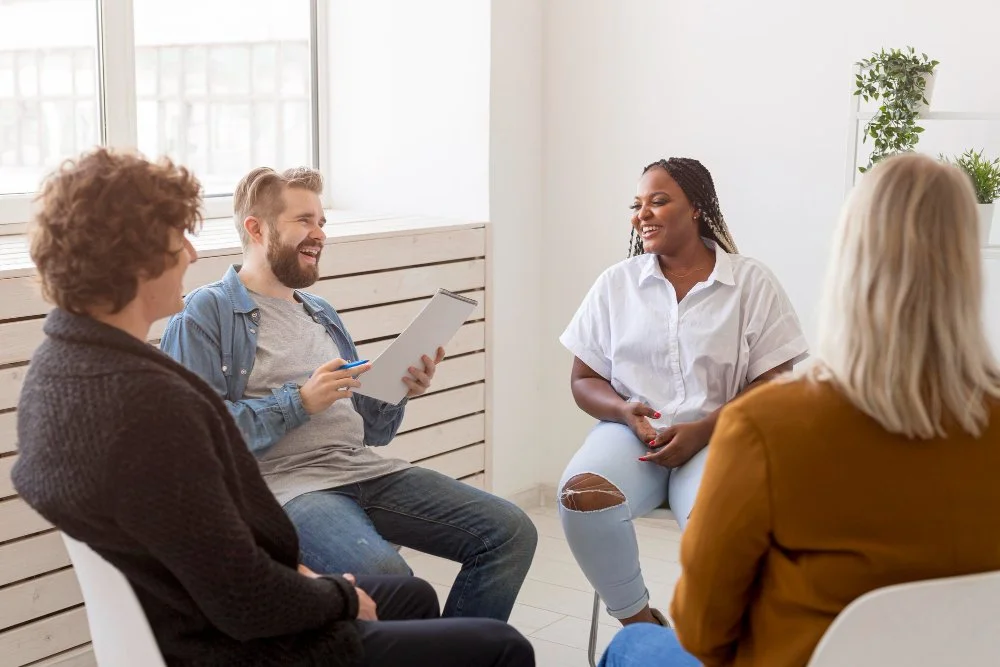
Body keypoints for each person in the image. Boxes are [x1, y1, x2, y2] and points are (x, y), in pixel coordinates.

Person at [11, 148, 534, 667]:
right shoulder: (164, 376)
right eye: (179, 238)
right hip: (268, 579)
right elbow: (238, 582)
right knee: (483, 635)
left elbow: (226, 541)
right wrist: (335, 593)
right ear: (135, 254)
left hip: (346, 478)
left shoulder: (72, 371)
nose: (192, 255)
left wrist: (397, 388)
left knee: (492, 543)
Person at [603, 152, 1000, 666]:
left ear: (849, 262)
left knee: (631, 646)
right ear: (968, 266)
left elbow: (702, 632)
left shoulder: (767, 426)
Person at [159, 166, 537, 622]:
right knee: (393, 580)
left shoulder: (320, 312)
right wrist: (298, 401)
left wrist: (398, 389)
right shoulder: (208, 311)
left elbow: (372, 432)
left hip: (360, 469)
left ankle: (466, 653)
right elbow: (198, 438)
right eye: (304, 221)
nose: (319, 234)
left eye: (321, 222)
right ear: (255, 228)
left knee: (511, 532)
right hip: (287, 488)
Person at [558, 157, 809, 627]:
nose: (643, 214)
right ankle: (642, 627)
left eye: (658, 201)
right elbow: (583, 380)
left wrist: (704, 430)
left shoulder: (750, 281)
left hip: (722, 431)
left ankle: (716, 635)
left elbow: (774, 383)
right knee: (581, 496)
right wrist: (623, 410)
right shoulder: (616, 284)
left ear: (695, 208)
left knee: (725, 518)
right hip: (633, 434)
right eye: (637, 205)